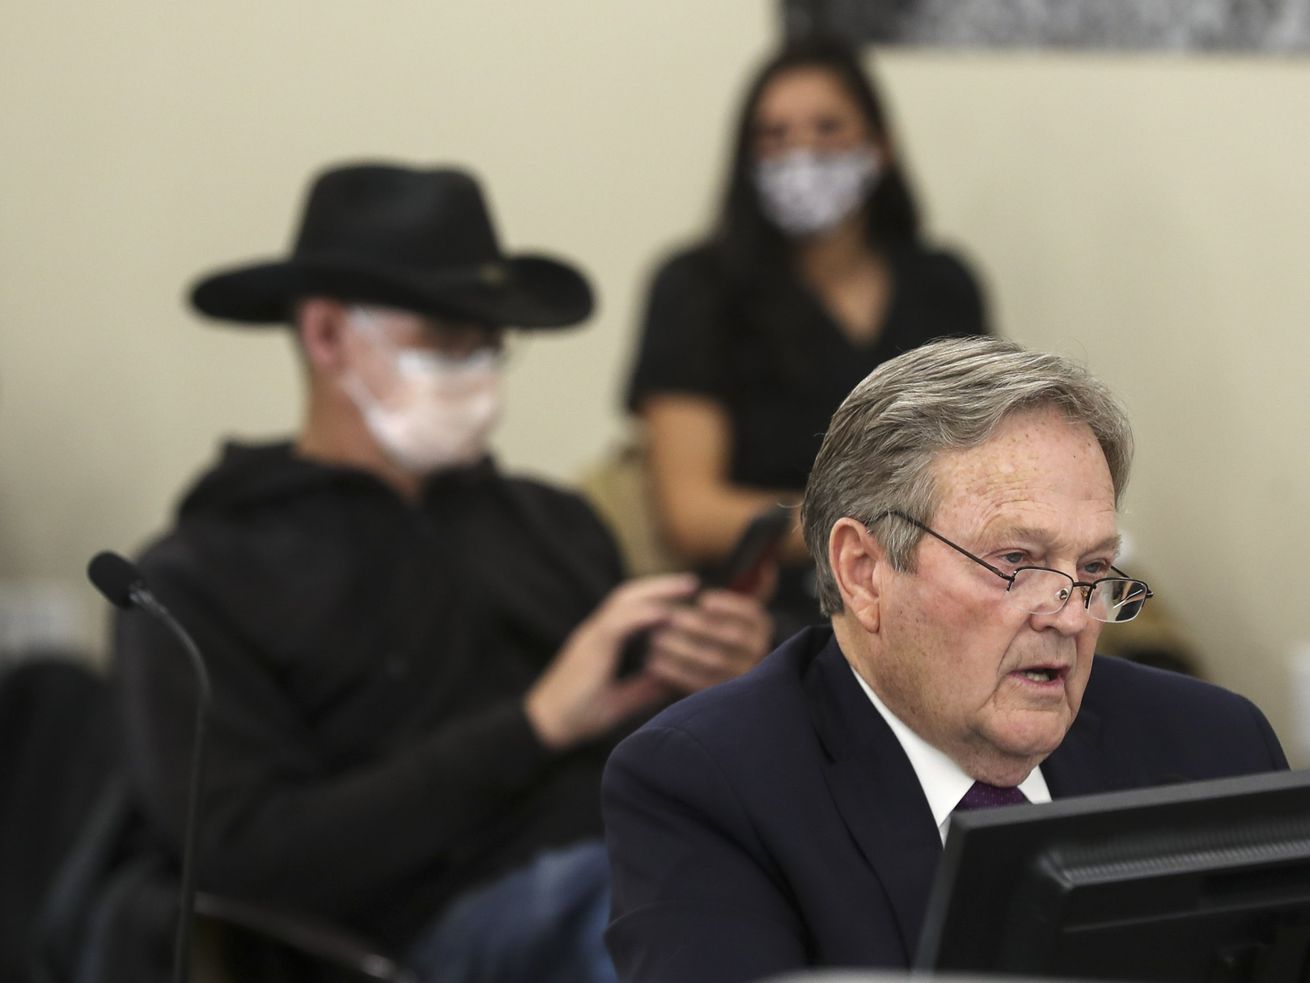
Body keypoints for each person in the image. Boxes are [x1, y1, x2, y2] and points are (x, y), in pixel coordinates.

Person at [107, 162, 772, 983]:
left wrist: (725, 687)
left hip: (633, 865)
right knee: (664, 907)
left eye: (489, 344)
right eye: (444, 344)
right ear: (327, 335)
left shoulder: (549, 524)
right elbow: (244, 855)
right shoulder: (203, 577)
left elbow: (650, 755)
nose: (477, 373)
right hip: (425, 927)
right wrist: (532, 724)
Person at [602, 336, 1288, 982]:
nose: (1073, 615)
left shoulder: (1212, 746)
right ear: (863, 571)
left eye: (1094, 566)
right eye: (1016, 561)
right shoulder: (710, 783)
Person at [625, 36, 988, 637]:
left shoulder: (943, 284)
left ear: (880, 145)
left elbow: (983, 456)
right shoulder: (695, 289)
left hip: (941, 593)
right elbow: (691, 513)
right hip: (767, 611)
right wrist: (886, 531)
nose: (802, 155)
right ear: (746, 156)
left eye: (828, 129)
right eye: (774, 136)